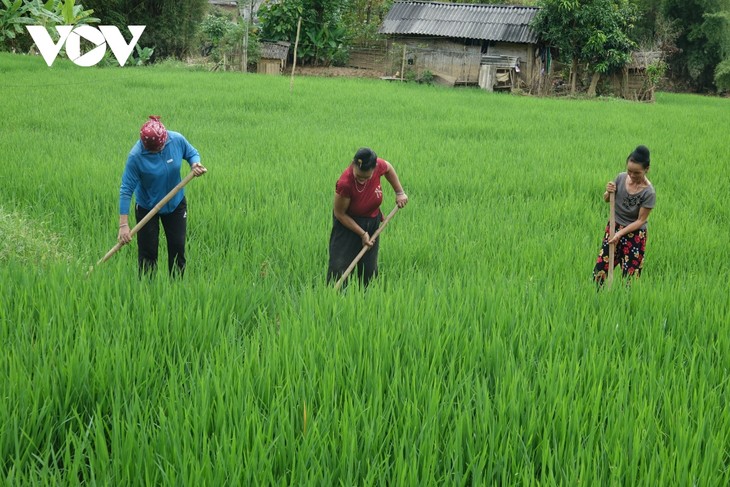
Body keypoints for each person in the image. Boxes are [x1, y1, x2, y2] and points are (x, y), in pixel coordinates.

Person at [117, 116, 207, 277]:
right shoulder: (136, 157)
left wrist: (195, 163)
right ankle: (147, 289)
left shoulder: (176, 140)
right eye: (152, 149)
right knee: (148, 253)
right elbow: (126, 190)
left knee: (177, 247)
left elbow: (192, 153)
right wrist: (123, 225)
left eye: (159, 148)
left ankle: (177, 288)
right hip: (147, 207)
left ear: (164, 139)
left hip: (176, 204)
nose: (157, 151)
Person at [327, 147, 408, 287]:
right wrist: (362, 233)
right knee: (340, 267)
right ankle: (334, 302)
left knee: (369, 270)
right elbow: (339, 213)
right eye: (359, 176)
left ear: (375, 168)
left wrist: (399, 192)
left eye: (366, 177)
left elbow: (388, 167)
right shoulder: (345, 183)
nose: (362, 180)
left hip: (372, 222)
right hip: (348, 226)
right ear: (353, 164)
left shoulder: (378, 166)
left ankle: (366, 299)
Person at [593, 145, 655, 285]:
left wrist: (620, 234)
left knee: (630, 279)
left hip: (634, 235)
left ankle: (626, 304)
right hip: (614, 227)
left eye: (637, 173)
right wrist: (608, 192)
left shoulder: (649, 193)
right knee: (600, 270)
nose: (632, 176)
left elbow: (640, 221)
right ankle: (597, 298)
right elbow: (606, 199)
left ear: (646, 169)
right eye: (629, 171)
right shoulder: (621, 178)